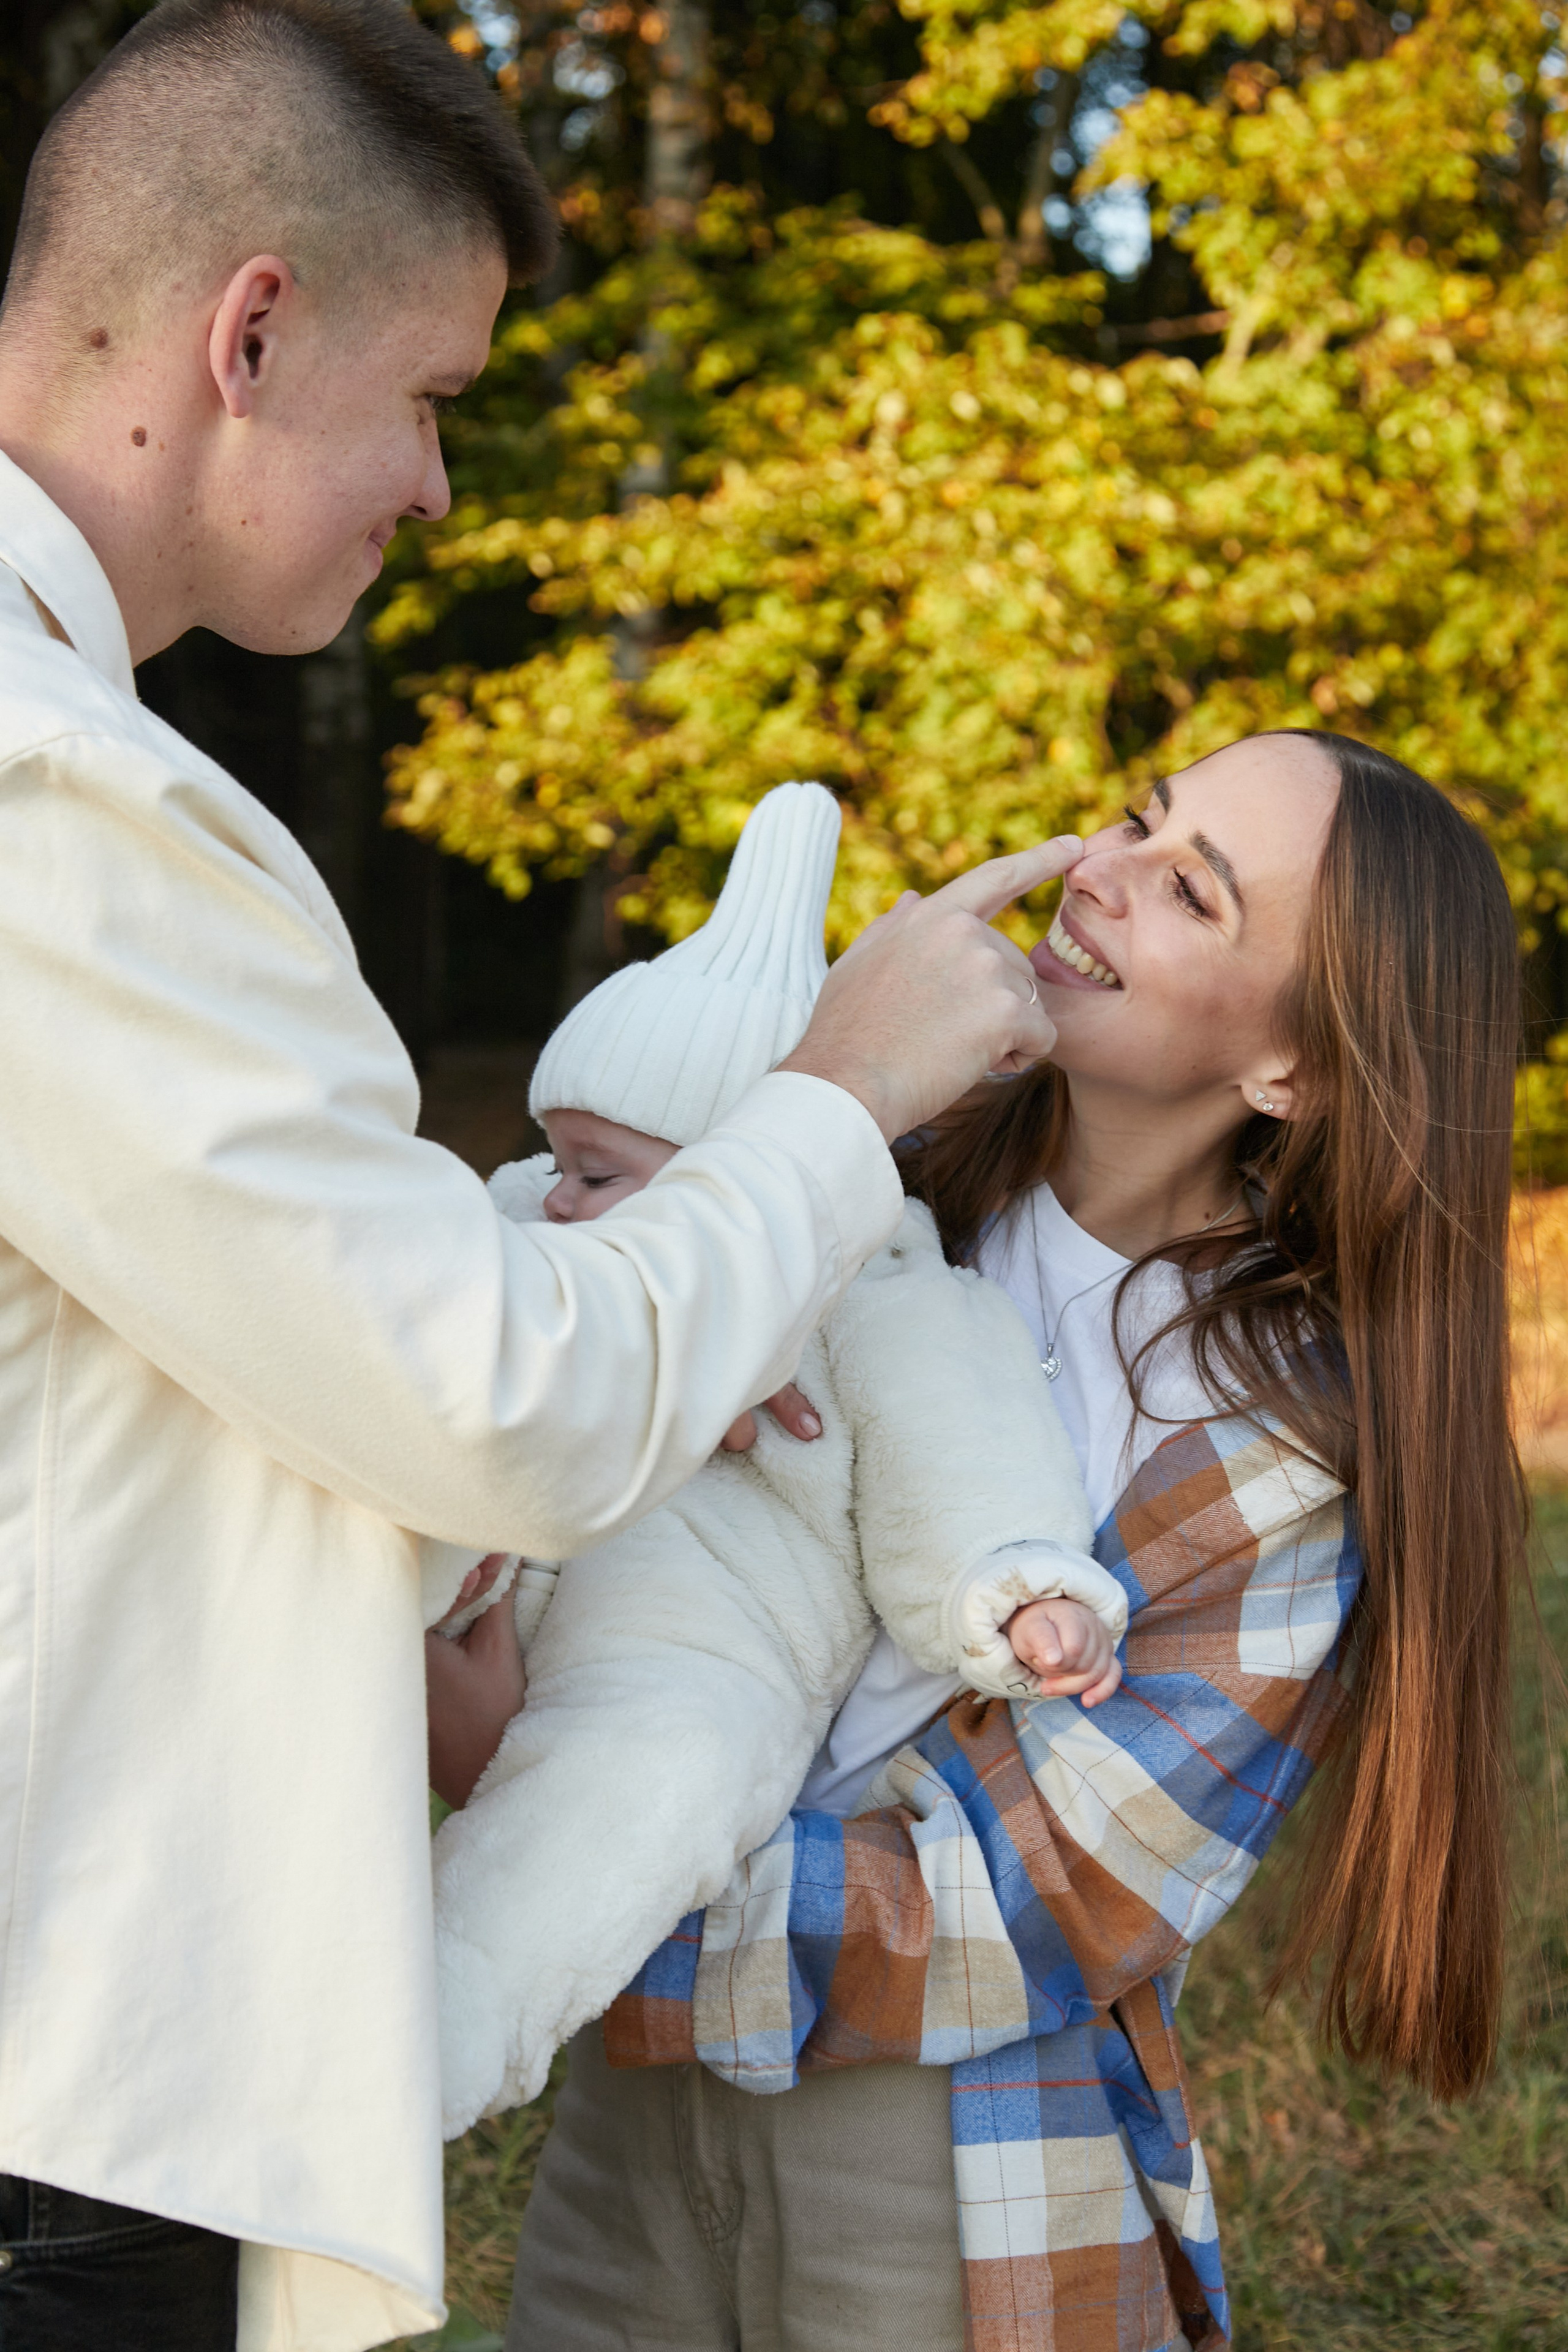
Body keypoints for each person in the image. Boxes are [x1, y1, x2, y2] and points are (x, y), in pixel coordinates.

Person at [0, 5, 1071, 2348]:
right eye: (440, 401)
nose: (440, 493)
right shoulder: (57, 806)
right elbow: (495, 1395)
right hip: (53, 2102)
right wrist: (830, 1105)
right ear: (251, 330)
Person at [435, 731, 1525, 2352]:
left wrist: (527, 1804)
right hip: (627, 2144)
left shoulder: (1286, 1461)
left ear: (1292, 1067)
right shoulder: (848, 1190)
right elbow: (516, 1306)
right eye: (1140, 819)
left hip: (952, 2180)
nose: (1099, 870)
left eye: (1188, 890)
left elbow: (1037, 1903)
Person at [429, 782, 1126, 2139]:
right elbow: (406, 1296)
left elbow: (963, 1445)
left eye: (598, 1175)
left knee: (647, 1788)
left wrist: (1018, 1586)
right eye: (556, 1161)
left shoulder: (882, 1293)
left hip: (699, 1640)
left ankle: (439, 2026)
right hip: (493, 1546)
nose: (555, 1198)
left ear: (743, 1182)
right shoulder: (535, 1217)